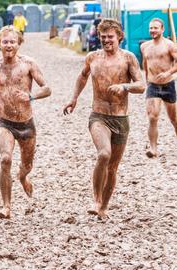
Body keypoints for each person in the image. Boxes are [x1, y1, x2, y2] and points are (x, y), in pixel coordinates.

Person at [63, 19, 146, 219]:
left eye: (110, 37)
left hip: (120, 118)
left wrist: (124, 86)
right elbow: (82, 77)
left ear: (119, 37)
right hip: (98, 116)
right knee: (103, 154)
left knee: (113, 167)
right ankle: (96, 199)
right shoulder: (92, 57)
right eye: (103, 37)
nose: (106, 40)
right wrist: (74, 98)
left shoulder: (128, 58)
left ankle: (104, 207)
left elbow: (141, 85)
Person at [0, 26, 51, 219]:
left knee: (26, 166)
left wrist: (31, 96)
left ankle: (23, 177)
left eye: (12, 41)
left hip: (27, 124)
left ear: (19, 44)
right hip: (5, 123)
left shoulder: (28, 64)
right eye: (5, 41)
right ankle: (6, 206)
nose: (9, 45)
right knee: (5, 159)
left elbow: (47, 88)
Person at [140, 18, 177, 158]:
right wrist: (147, 79)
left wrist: (168, 72)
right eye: (151, 28)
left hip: (168, 85)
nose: (152, 30)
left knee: (173, 118)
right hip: (153, 85)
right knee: (153, 117)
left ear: (162, 29)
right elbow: (145, 63)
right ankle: (153, 149)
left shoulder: (169, 45)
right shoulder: (144, 46)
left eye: (155, 28)